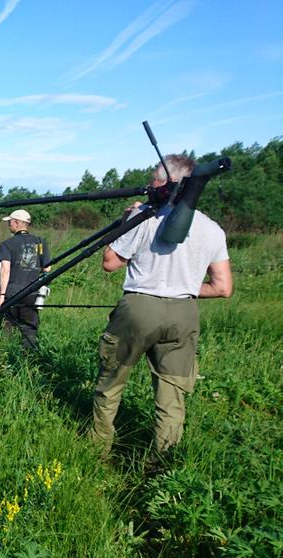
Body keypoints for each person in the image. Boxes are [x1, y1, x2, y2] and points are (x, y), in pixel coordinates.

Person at [89, 155, 232, 460]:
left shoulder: (145, 219)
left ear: (168, 183)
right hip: (184, 313)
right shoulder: (212, 229)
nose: (149, 186)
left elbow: (110, 263)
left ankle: (97, 449)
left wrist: (128, 220)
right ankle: (164, 464)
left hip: (139, 308)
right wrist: (183, 285)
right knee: (172, 396)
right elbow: (223, 287)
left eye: (153, 180)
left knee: (111, 382)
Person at [0, 209, 51, 351]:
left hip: (12, 292)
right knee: (29, 327)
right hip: (33, 292)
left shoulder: (7, 244)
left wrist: (1, 295)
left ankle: (8, 355)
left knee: (9, 325)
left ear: (16, 223)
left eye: (10, 222)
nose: (9, 225)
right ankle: (30, 355)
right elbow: (47, 269)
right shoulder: (40, 242)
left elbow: (5, 270)